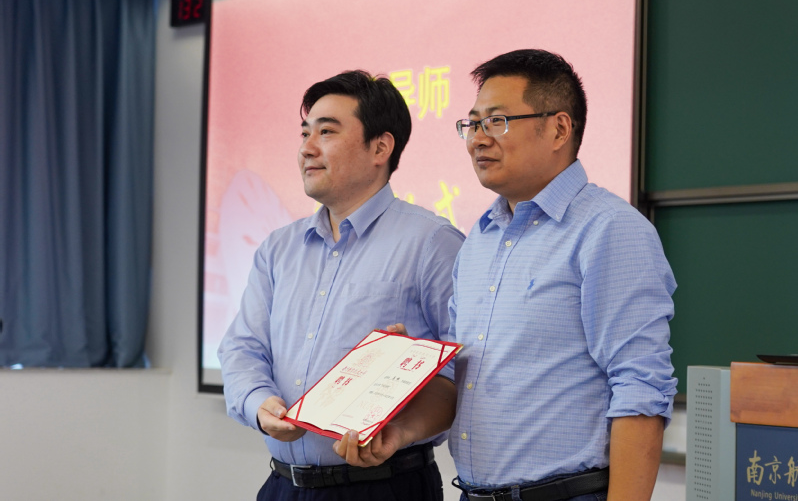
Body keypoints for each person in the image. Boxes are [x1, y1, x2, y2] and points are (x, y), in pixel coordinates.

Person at [217, 69, 465, 501]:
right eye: (304, 133)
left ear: (380, 147)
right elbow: (243, 347)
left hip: (383, 488)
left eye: (327, 132)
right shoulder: (279, 248)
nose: (307, 149)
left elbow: (462, 376)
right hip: (283, 486)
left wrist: (401, 426)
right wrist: (259, 403)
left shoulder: (432, 242)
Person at [447, 49, 677, 501]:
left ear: (558, 129)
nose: (477, 139)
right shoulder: (479, 239)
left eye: (496, 121)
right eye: (471, 124)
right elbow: (460, 374)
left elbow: (640, 387)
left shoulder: (610, 228)